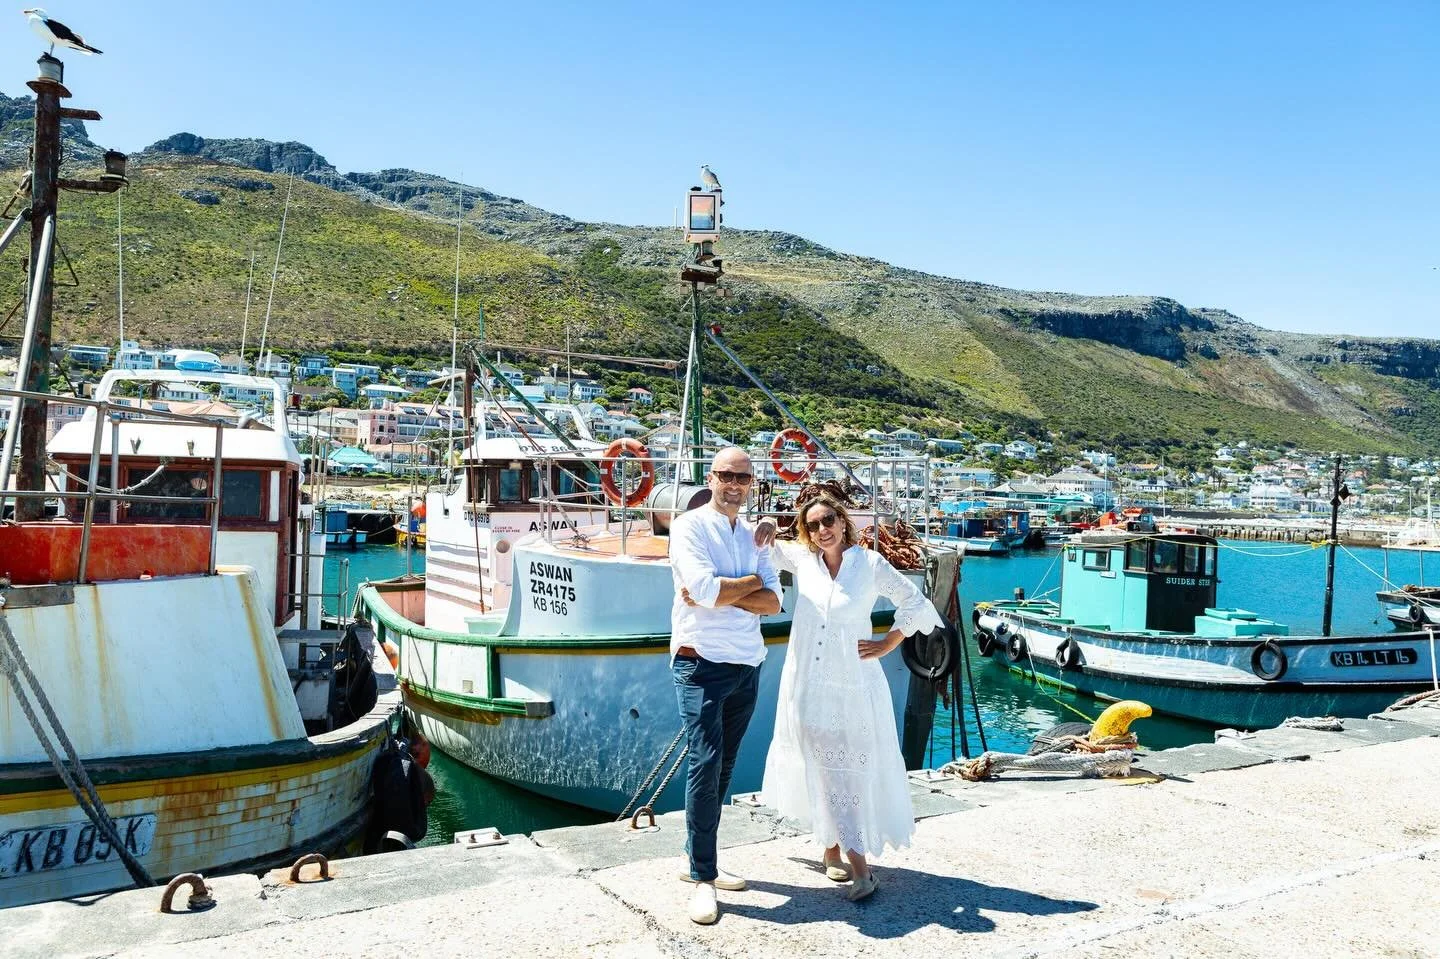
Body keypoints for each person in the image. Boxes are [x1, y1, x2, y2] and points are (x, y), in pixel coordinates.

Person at [755, 493, 941, 901]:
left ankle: (862, 871)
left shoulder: (869, 565)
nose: (822, 530)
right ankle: (830, 849)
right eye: (813, 525)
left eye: (828, 521)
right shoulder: (804, 561)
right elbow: (765, 546)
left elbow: (916, 602)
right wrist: (766, 522)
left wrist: (889, 642)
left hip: (854, 688)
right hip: (807, 684)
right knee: (821, 768)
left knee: (849, 773)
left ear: (842, 522)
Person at [668, 446, 782, 925]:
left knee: (724, 766)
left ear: (751, 484)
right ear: (711, 478)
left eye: (743, 478)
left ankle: (698, 857)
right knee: (705, 762)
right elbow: (703, 590)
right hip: (701, 663)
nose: (735, 485)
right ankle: (703, 878)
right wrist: (746, 584)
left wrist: (728, 589)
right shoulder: (688, 528)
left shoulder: (755, 534)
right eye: (727, 476)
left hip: (746, 664)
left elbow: (774, 602)